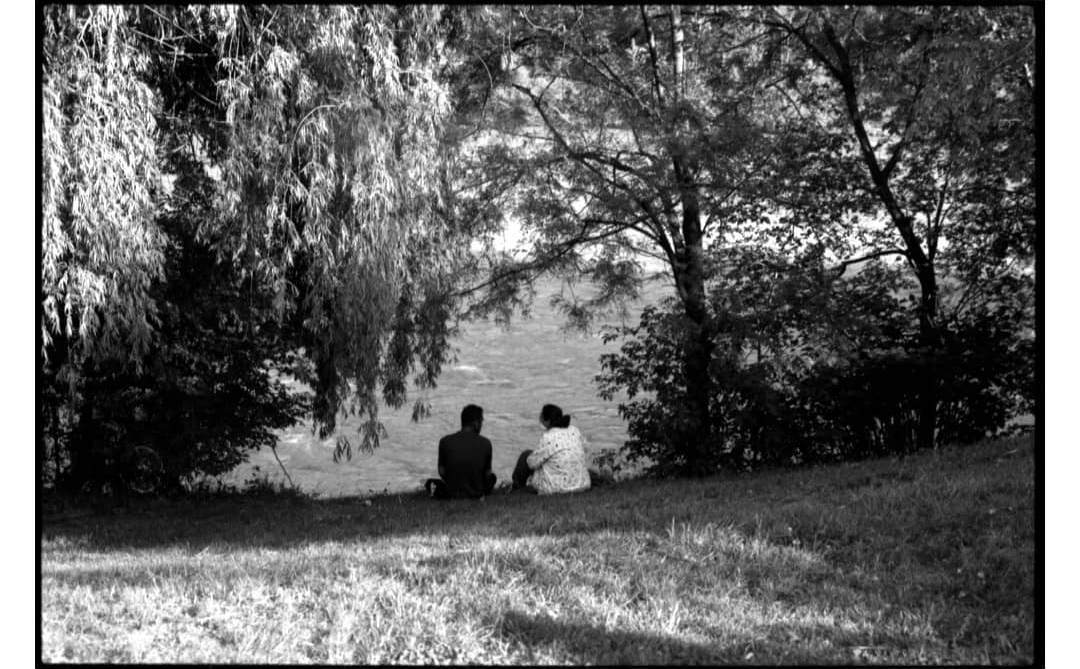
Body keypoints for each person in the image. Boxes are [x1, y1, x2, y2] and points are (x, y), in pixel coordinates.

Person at [512, 404, 591, 495]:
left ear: (547, 421)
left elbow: (532, 463)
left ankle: (517, 488)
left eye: (541, 416)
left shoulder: (548, 437)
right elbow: (586, 449)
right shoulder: (574, 430)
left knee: (526, 455)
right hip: (583, 484)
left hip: (556, 488)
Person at [425, 404, 497, 499]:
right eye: (481, 421)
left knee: (430, 483)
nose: (481, 425)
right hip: (476, 493)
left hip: (451, 493)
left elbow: (441, 472)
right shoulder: (486, 443)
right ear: (475, 423)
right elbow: (487, 474)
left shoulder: (445, 441)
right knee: (492, 478)